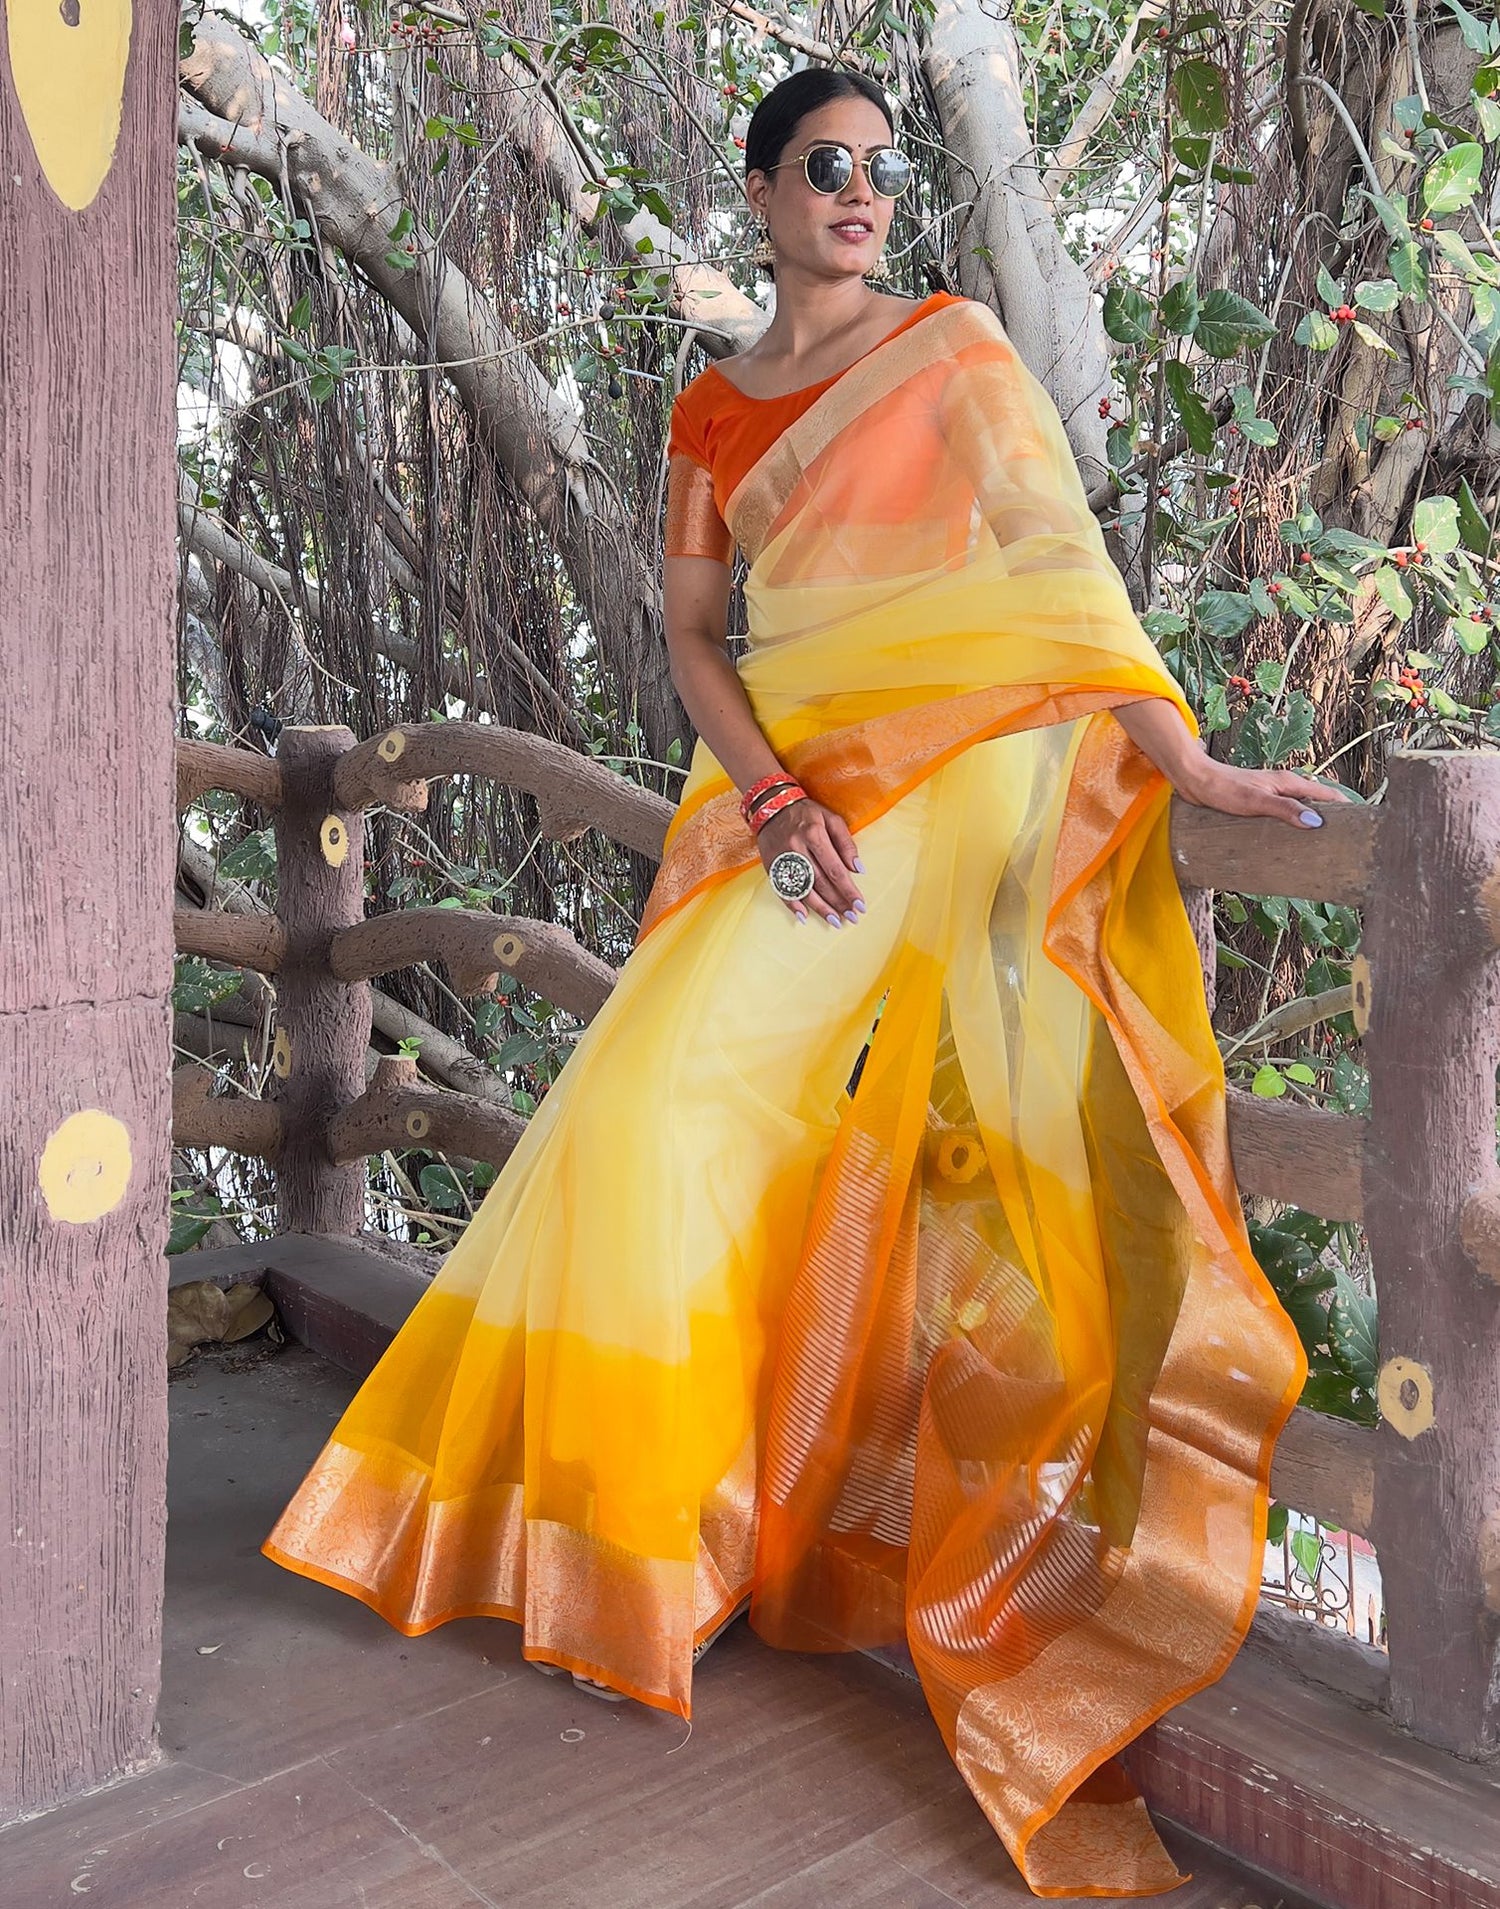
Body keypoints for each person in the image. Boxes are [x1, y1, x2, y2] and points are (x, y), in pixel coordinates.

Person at [265, 67, 1340, 1898]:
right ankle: (655, 1544)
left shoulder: (954, 346)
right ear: (759, 194)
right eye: (823, 168)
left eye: (878, 171)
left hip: (959, 792)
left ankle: (886, 1518)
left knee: (945, 1141)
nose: (858, 193)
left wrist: (1193, 762)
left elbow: (1067, 584)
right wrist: (769, 794)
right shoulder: (707, 408)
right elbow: (696, 631)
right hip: (798, 812)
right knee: (659, 1114)